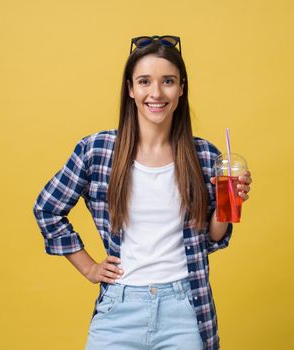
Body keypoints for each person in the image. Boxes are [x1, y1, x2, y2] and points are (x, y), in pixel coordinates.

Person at [33, 35, 252, 350]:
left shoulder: (204, 156)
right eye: (145, 81)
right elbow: (47, 208)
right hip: (119, 310)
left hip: (185, 310)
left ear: (181, 88)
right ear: (131, 89)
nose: (156, 93)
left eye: (168, 81)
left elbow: (212, 239)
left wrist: (228, 204)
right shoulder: (97, 150)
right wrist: (89, 267)